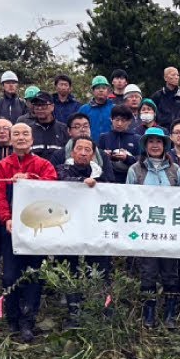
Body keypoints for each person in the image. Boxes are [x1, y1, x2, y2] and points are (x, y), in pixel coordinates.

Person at [0, 123, 58, 342]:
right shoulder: (1, 166)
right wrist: (6, 218)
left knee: (34, 274)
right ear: (10, 139)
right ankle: (12, 318)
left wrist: (30, 178)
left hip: (37, 229)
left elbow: (53, 188)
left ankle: (28, 320)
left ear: (32, 138)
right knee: (10, 274)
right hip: (11, 229)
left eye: (25, 133)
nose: (21, 138)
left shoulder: (44, 164)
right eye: (16, 134)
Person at [126, 127, 180, 327]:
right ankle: (148, 314)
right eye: (150, 141)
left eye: (158, 142)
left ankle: (170, 314)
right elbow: (127, 200)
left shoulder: (175, 170)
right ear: (145, 145)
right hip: (145, 230)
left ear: (165, 145)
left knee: (170, 272)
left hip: (169, 230)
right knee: (148, 271)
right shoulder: (135, 170)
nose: (154, 145)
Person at [53, 135, 107, 327]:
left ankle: (95, 310)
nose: (83, 153)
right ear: (72, 151)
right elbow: (60, 181)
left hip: (95, 229)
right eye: (80, 149)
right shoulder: (62, 169)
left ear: (93, 154)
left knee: (98, 268)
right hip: (69, 228)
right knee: (70, 268)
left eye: (87, 150)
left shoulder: (102, 172)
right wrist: (82, 181)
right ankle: (73, 311)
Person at [98, 105, 141, 183]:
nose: (119, 123)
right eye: (117, 120)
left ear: (129, 121)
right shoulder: (104, 137)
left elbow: (141, 160)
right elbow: (97, 159)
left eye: (123, 120)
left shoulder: (136, 138)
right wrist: (105, 156)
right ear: (111, 119)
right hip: (108, 179)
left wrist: (127, 158)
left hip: (129, 179)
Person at [21, 92, 69, 160]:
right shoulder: (28, 131)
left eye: (43, 105)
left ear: (52, 106)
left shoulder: (64, 130)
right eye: (36, 105)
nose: (40, 108)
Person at [81, 76, 115, 142]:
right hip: (89, 146)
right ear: (93, 91)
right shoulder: (84, 109)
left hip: (110, 146)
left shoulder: (114, 109)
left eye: (104, 88)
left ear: (108, 91)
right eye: (97, 88)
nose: (101, 90)